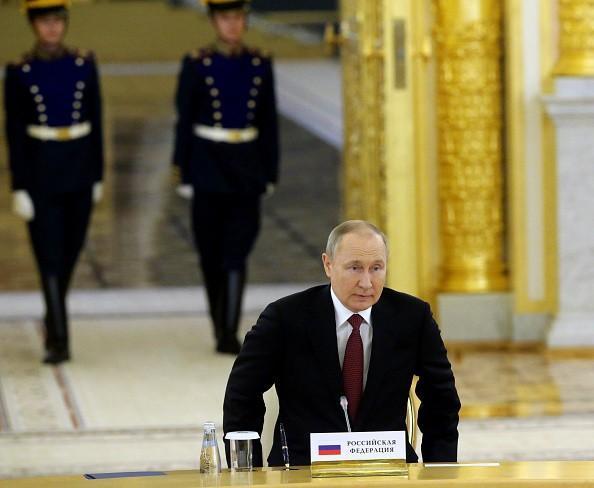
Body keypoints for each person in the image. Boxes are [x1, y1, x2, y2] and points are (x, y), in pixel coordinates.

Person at [223, 220, 461, 465]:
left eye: (376, 268)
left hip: (388, 469)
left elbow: (441, 400)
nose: (366, 283)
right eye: (355, 268)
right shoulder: (284, 318)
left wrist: (439, 470)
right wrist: (246, 472)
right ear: (328, 265)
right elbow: (242, 395)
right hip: (302, 470)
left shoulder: (413, 318)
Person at [172, 0, 279, 354]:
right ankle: (220, 324)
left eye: (237, 17)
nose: (232, 25)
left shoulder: (259, 63)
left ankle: (228, 331)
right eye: (224, 18)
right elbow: (184, 119)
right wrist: (182, 169)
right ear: (213, 21)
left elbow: (268, 122)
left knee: (237, 249)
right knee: (209, 250)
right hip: (207, 164)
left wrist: (270, 170)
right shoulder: (197, 64)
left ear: (245, 20)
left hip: (246, 165)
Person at [4, 0, 104, 364]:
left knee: (70, 253)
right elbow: (14, 132)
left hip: (79, 169)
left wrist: (98, 175)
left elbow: (96, 120)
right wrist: (18, 186)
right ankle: (58, 340)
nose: (52, 28)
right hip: (41, 172)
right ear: (33, 25)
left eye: (57, 21)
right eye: (44, 21)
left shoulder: (83, 64)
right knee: (48, 256)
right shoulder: (20, 71)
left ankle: (53, 315)